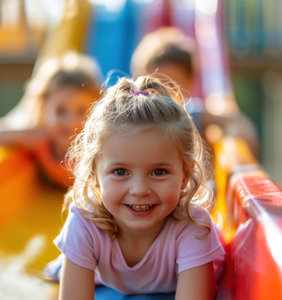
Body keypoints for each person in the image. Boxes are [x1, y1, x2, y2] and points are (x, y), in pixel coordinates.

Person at [51, 76, 225, 299]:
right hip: (106, 274)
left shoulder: (193, 228)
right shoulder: (84, 224)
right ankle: (64, 263)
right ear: (94, 173)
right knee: (61, 268)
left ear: (185, 175)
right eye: (121, 172)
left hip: (191, 268)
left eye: (159, 172)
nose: (140, 189)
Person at [0, 52, 102, 188]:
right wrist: (23, 135)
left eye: (81, 111)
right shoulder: (40, 139)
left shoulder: (97, 147)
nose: (70, 121)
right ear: (43, 109)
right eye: (60, 111)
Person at [130, 27, 259, 157]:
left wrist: (233, 146)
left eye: (172, 85)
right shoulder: (132, 118)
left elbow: (238, 122)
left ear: (189, 82)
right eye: (155, 86)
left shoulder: (191, 116)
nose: (164, 93)